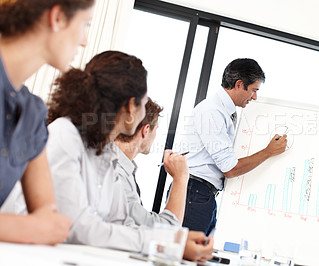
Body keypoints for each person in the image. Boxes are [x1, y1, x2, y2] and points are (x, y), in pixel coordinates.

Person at [46, 51, 213, 262]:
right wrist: (167, 243)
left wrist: (172, 240)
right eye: (143, 104)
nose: (145, 113)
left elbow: (122, 223)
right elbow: (80, 228)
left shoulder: (105, 153)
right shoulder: (65, 135)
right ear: (130, 107)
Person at [0, 0, 94, 244]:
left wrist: (34, 226)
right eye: (85, 25)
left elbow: (51, 223)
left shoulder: (32, 112)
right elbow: (38, 226)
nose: (84, 41)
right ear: (59, 17)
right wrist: (27, 228)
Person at [178, 58, 288, 235]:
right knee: (185, 257)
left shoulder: (223, 111)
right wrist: (268, 152)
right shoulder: (213, 111)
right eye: (253, 90)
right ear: (239, 84)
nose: (255, 97)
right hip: (194, 193)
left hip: (202, 195)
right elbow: (229, 168)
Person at [115, 97, 187, 227]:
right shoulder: (116, 173)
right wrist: (180, 178)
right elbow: (163, 231)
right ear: (146, 130)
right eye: (156, 129)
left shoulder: (123, 168)